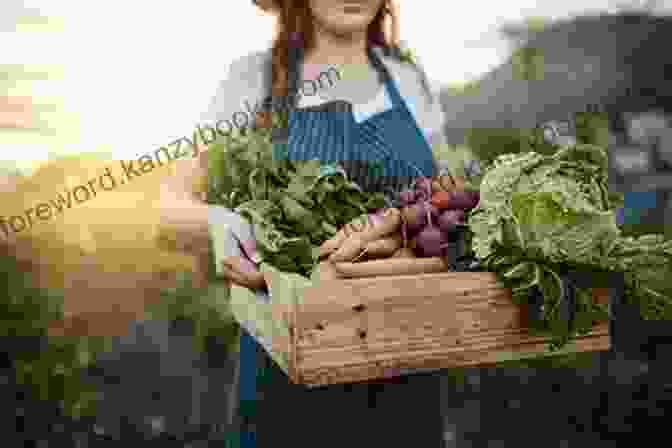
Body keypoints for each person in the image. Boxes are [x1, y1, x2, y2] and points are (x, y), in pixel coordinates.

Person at [182, 0, 453, 446]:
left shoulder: (407, 76)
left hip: (407, 358)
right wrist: (228, 226)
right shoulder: (252, 78)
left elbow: (441, 196)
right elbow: (170, 202)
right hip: (288, 364)